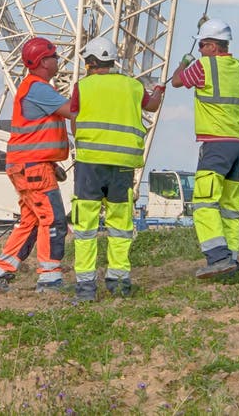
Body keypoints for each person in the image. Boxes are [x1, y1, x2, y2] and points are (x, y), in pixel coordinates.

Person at [70, 37, 164, 301]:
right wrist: (158, 91)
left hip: (90, 165)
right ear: (112, 62)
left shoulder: (83, 87)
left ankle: (86, 288)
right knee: (121, 225)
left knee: (85, 227)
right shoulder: (133, 86)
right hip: (122, 167)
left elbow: (74, 123)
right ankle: (120, 283)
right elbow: (152, 105)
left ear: (90, 63)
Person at [0, 37, 73, 293]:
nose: (58, 60)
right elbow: (72, 111)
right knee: (53, 220)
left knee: (32, 221)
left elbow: (37, 134)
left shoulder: (33, 87)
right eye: (54, 56)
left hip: (29, 166)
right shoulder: (38, 88)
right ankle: (49, 277)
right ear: (43, 62)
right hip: (34, 169)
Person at [171, 18, 239, 280]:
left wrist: (184, 60)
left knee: (204, 203)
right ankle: (231, 261)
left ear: (213, 46)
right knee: (228, 207)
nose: (200, 49)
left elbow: (177, 81)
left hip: (216, 144)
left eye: (202, 45)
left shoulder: (203, 66)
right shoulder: (238, 67)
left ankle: (217, 258)